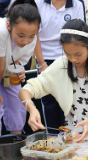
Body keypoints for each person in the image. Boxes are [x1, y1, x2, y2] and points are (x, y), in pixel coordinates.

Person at [18, 19, 88, 141]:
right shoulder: (62, 65)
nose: (73, 59)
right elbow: (26, 90)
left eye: (78, 54)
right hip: (75, 138)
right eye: (67, 53)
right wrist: (32, 108)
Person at [30, 0, 86, 134]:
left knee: (71, 100)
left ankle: (72, 140)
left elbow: (80, 33)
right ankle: (53, 140)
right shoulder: (38, 3)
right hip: (45, 58)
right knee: (49, 103)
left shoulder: (77, 4)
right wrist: (42, 64)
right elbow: (34, 34)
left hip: (70, 57)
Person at [0, 0, 41, 135]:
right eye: (21, 35)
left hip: (6, 72)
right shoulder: (1, 31)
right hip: (1, 68)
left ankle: (15, 142)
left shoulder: (32, 39)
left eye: (31, 36)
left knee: (17, 104)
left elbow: (16, 61)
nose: (26, 41)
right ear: (9, 26)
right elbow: (1, 65)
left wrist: (19, 69)